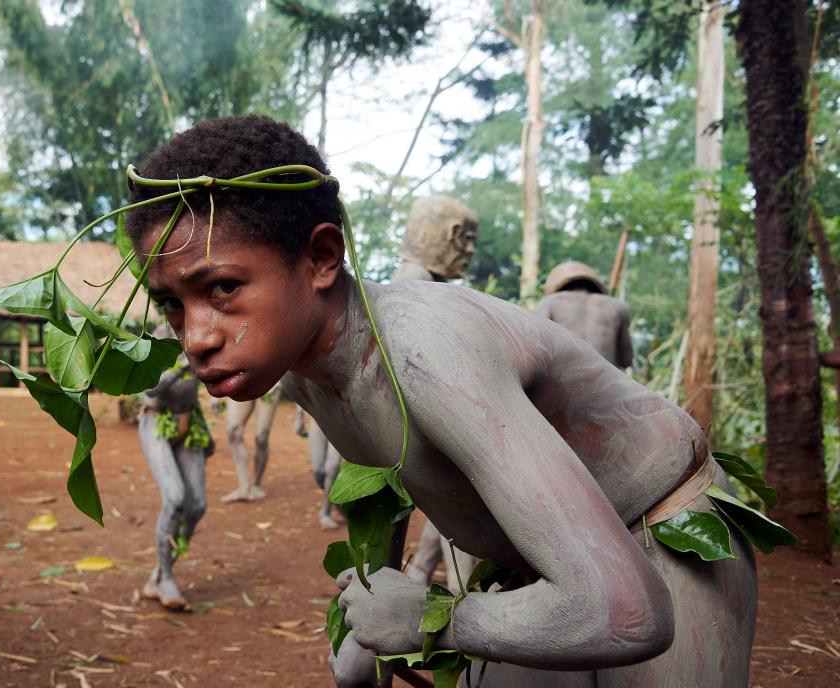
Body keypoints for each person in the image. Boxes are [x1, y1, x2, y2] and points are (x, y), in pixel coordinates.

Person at [125, 115, 756, 687]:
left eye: (225, 287)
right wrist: (376, 605)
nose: (197, 337)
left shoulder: (425, 353)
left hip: (659, 539)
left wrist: (430, 617)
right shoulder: (294, 366)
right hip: (537, 570)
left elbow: (626, 612)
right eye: (172, 305)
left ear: (320, 257)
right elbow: (394, 466)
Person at [395, 195, 483, 593]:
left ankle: (428, 579)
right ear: (445, 235)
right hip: (413, 440)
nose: (469, 251)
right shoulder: (414, 284)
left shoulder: (429, 284)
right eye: (465, 239)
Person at [138, 324, 212, 610]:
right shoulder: (162, 335)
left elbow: (194, 390)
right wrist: (184, 364)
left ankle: (157, 575)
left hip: (188, 422)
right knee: (175, 498)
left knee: (197, 506)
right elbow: (150, 387)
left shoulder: (199, 332)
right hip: (156, 421)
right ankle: (166, 577)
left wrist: (204, 428)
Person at [536, 261, 633, 370]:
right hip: (606, 383)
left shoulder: (549, 303)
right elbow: (626, 360)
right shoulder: (616, 306)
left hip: (561, 382)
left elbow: (538, 353)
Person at [221, 386, 279, 502]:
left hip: (271, 383)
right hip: (241, 377)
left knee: (261, 437)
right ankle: (243, 487)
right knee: (233, 430)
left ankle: (256, 485)